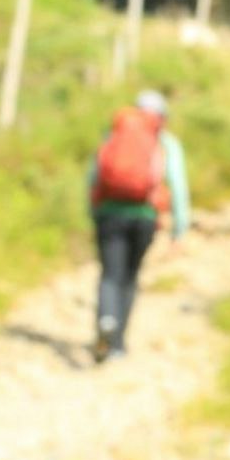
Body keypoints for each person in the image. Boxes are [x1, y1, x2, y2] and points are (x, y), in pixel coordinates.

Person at [88, 89, 190, 363]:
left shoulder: (115, 135)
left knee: (110, 274)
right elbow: (178, 188)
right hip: (145, 216)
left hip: (109, 213)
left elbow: (93, 176)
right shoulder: (166, 143)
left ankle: (106, 321)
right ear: (162, 117)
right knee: (130, 276)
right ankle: (118, 344)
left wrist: (94, 213)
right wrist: (179, 230)